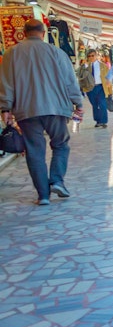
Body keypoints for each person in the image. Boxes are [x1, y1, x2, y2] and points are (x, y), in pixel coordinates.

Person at [0, 19, 84, 205]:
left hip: (26, 110)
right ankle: (56, 180)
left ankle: (43, 195)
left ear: (24, 32)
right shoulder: (57, 53)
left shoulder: (11, 54)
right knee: (61, 144)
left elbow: (6, 84)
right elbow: (70, 82)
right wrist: (78, 103)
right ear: (44, 32)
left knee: (34, 151)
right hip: (56, 109)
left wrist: (5, 108)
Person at [78, 49, 111, 128]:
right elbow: (80, 75)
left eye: (93, 56)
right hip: (90, 88)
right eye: (89, 56)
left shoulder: (102, 65)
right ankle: (98, 121)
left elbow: (108, 77)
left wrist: (110, 90)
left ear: (96, 56)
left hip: (100, 87)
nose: (91, 57)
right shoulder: (86, 66)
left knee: (102, 104)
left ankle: (103, 121)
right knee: (94, 105)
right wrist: (84, 66)